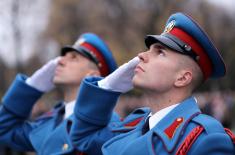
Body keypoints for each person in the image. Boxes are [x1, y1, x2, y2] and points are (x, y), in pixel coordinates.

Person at [70, 13, 235, 155]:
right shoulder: (134, 123)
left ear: (182, 78)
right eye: (149, 49)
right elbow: (83, 138)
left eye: (160, 52)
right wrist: (107, 87)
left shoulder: (205, 139)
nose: (141, 55)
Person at [0, 33, 118, 154]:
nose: (60, 61)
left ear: (93, 76)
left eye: (73, 58)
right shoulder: (51, 121)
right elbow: (4, 128)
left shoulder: (108, 124)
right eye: (63, 56)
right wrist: (31, 88)